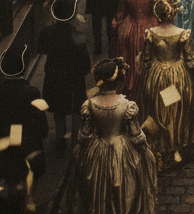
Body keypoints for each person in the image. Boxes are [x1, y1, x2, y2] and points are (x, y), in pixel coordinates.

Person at [58, 57, 157, 214]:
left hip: (97, 152)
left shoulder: (89, 105)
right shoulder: (127, 106)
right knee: (124, 191)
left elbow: (84, 135)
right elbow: (136, 135)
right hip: (123, 151)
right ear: (119, 80)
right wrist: (145, 149)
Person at [137, 0, 194, 171]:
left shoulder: (151, 34)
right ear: (174, 14)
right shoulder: (182, 34)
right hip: (177, 77)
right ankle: (176, 145)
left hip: (156, 76)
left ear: (157, 15)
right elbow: (191, 60)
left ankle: (160, 146)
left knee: (158, 109)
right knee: (175, 109)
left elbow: (145, 59)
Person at [0, 44, 49, 206]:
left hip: (7, 144)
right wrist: (43, 132)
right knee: (31, 178)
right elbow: (40, 121)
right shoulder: (31, 92)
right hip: (29, 144)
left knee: (12, 179)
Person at [37, 0, 91, 152]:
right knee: (75, 110)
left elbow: (42, 49)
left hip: (54, 76)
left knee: (58, 109)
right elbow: (85, 63)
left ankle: (60, 139)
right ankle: (75, 141)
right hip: (74, 79)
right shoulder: (78, 35)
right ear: (73, 14)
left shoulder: (46, 31)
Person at [109, 0, 161, 97]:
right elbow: (157, 16)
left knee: (130, 60)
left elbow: (120, 16)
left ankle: (132, 87)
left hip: (130, 31)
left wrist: (116, 28)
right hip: (148, 31)